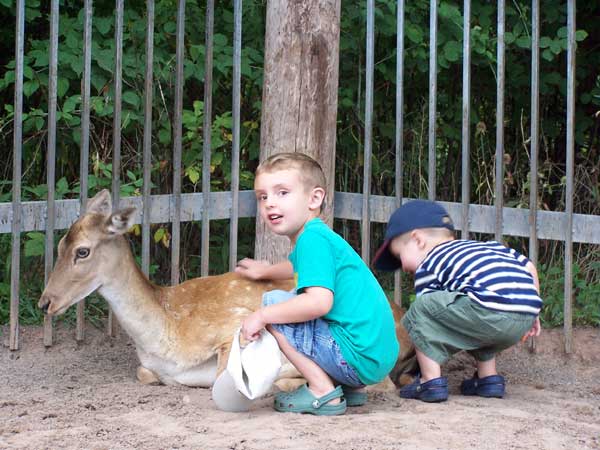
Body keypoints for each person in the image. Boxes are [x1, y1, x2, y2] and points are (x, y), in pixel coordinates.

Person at [235, 152, 399, 415]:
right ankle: (347, 388)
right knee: (289, 300)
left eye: (282, 193)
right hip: (375, 356)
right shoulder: (318, 236)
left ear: (314, 198)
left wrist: (262, 316)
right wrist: (266, 271)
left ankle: (323, 391)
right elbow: (297, 267)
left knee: (275, 304)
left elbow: (319, 302)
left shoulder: (312, 241)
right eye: (263, 197)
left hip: (357, 357)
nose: (269, 204)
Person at [372, 199, 542, 403]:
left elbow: (427, 318)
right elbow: (530, 267)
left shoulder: (430, 262)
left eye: (400, 256)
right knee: (475, 320)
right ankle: (488, 379)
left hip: (486, 309)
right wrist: (534, 312)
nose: (404, 267)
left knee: (420, 310)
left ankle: (429, 381)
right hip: (523, 314)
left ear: (418, 240)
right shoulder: (486, 247)